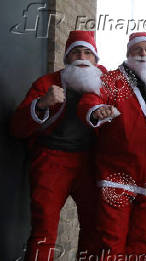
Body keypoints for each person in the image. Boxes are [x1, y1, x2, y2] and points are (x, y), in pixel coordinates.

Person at [10, 30, 106, 260]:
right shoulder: (47, 83)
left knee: (95, 227)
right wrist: (42, 104)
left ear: (95, 60)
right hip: (51, 160)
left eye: (87, 53)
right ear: (66, 58)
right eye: (75, 53)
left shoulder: (106, 84)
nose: (82, 57)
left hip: (89, 163)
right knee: (44, 230)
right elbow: (16, 128)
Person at [77, 32, 146, 258]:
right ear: (128, 54)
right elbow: (92, 98)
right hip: (116, 176)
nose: (143, 54)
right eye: (138, 50)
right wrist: (96, 111)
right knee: (110, 242)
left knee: (142, 245)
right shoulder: (113, 80)